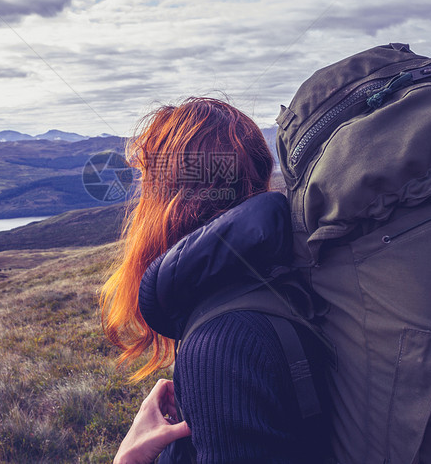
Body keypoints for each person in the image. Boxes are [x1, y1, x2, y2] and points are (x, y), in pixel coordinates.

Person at [101, 97, 331, 463]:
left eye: (147, 182)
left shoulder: (221, 343)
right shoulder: (280, 284)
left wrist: (127, 461)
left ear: (170, 202)